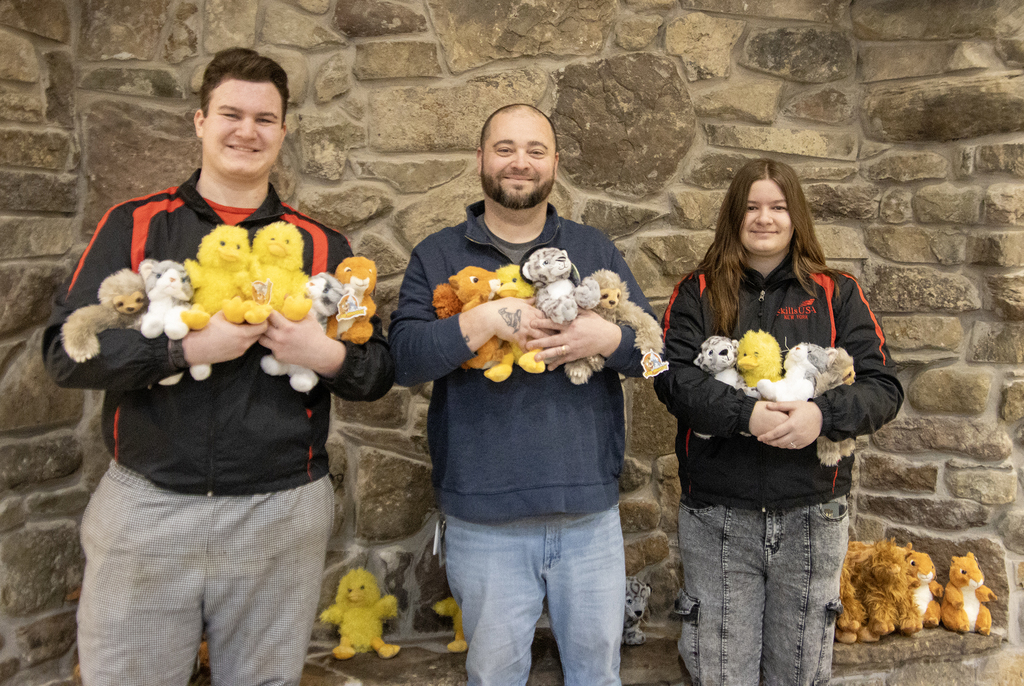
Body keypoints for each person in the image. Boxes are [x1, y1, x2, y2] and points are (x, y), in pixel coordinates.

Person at [42, 48, 394, 686]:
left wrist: (322, 353)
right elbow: (65, 353)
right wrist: (185, 350)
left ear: (283, 133)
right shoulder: (135, 225)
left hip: (282, 509)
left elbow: (375, 371)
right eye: (231, 113)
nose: (247, 131)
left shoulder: (326, 246)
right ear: (200, 122)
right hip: (147, 504)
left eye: (265, 119)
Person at [388, 104, 656, 686]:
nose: (520, 162)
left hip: (589, 520)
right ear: (481, 158)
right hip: (484, 524)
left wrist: (606, 337)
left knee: (597, 678)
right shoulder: (438, 254)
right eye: (505, 148)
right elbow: (403, 359)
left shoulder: (596, 249)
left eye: (535, 150)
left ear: (555, 163)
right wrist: (482, 321)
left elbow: (658, 362)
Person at [653, 158, 903, 685]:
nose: (764, 219)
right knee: (720, 674)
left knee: (801, 674)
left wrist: (822, 415)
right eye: (751, 207)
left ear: (796, 217)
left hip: (814, 516)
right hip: (717, 518)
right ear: (732, 216)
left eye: (778, 207)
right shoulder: (696, 291)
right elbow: (670, 378)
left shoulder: (839, 293)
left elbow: (884, 387)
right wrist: (746, 415)